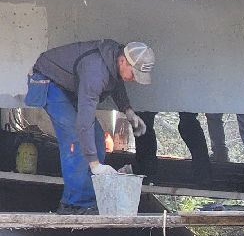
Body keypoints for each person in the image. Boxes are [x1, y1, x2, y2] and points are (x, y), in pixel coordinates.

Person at [25, 39, 153, 214]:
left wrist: (128, 111)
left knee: (97, 139)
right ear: (123, 61)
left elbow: (116, 84)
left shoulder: (113, 59)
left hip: (70, 86)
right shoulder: (95, 72)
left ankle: (88, 197)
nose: (134, 79)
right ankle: (75, 204)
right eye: (134, 73)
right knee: (75, 140)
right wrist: (94, 164)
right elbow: (83, 123)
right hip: (49, 81)